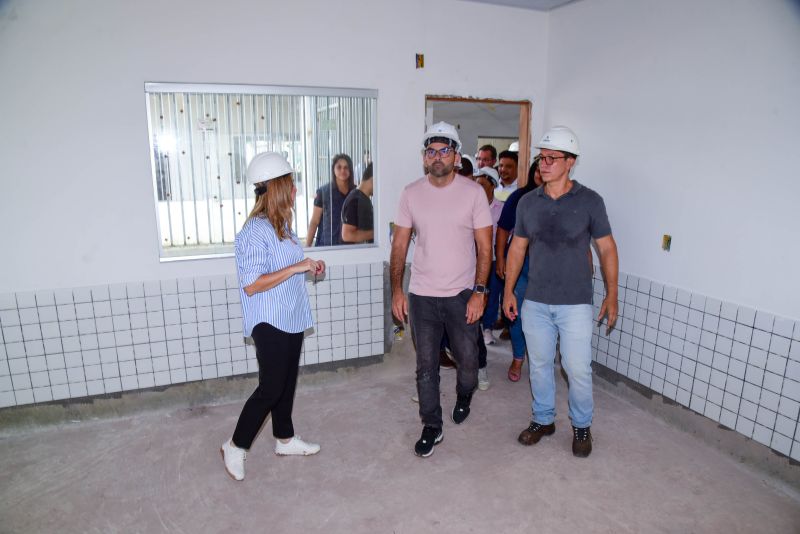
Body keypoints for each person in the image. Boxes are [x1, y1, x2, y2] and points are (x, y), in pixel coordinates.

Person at [503, 126, 618, 458]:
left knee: (577, 367)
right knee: (538, 364)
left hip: (575, 303)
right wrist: (509, 291)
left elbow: (607, 249)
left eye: (553, 158)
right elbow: (516, 250)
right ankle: (543, 420)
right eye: (542, 157)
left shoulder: (590, 201)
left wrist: (612, 294)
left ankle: (582, 426)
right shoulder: (528, 203)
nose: (544, 163)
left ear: (571, 162)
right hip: (535, 300)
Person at [221, 152, 326, 481]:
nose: (296, 191)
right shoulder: (255, 231)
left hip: (291, 315)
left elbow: (283, 269)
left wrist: (309, 265)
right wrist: (298, 266)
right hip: (269, 320)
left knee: (286, 383)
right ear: (279, 188)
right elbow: (252, 284)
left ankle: (285, 439)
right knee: (271, 388)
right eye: (291, 185)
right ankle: (236, 445)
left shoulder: (282, 226)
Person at [391, 121, 492, 458]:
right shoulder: (411, 194)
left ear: (456, 156)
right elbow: (400, 245)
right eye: (431, 151)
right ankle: (431, 425)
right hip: (422, 295)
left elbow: (485, 247)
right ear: (424, 158)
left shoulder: (474, 193)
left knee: (468, 360)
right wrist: (397, 290)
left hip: (462, 294)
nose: (437, 157)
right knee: (426, 366)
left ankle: (465, 393)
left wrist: (480, 291)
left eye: (444, 150)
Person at [496, 159, 542, 382]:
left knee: (544, 317)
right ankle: (517, 358)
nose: (543, 175)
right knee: (515, 313)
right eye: (539, 170)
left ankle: (539, 360)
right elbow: (503, 230)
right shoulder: (519, 198)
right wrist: (501, 259)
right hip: (521, 266)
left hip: (549, 269)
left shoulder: (563, 201)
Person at [306, 154, 355, 247]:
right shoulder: (323, 192)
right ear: (333, 169)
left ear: (350, 170)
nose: (342, 170)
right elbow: (314, 221)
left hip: (350, 248)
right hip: (326, 247)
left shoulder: (356, 193)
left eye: (346, 167)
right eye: (339, 167)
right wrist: (307, 247)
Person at [341, 163, 374, 244]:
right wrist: (377, 233)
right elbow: (347, 235)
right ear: (373, 179)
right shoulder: (355, 200)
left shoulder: (362, 198)